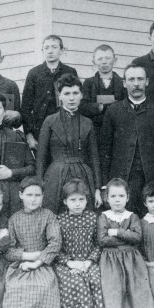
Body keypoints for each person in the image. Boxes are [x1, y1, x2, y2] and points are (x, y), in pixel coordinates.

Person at [98, 64, 154, 213]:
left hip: (153, 181)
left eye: (140, 79)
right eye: (131, 79)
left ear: (147, 82)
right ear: (124, 83)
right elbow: (105, 150)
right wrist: (104, 185)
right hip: (123, 181)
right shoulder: (113, 111)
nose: (136, 84)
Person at [1, 177, 63, 308]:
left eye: (37, 195)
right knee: (16, 287)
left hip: (43, 264)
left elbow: (55, 243)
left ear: (43, 196)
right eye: (29, 195)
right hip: (21, 265)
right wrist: (27, 256)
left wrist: (38, 261)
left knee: (45, 285)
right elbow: (8, 249)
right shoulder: (14, 219)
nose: (33, 199)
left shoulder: (49, 216)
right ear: (21, 195)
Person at [97, 177, 154, 308]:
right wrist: (126, 236)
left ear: (128, 197)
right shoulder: (103, 217)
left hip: (132, 259)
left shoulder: (132, 216)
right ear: (107, 198)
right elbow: (102, 240)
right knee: (114, 291)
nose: (117, 200)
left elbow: (137, 237)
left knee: (134, 290)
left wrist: (116, 232)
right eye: (113, 196)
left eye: (121, 196)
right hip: (110, 259)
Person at [54, 179, 107, 308]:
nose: (77, 204)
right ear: (65, 201)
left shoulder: (93, 218)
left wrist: (89, 261)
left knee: (95, 279)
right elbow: (55, 247)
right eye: (73, 200)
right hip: (67, 264)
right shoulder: (59, 220)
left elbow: (98, 244)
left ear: (86, 200)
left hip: (88, 262)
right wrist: (69, 262)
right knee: (71, 282)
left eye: (81, 200)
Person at [36, 74, 102, 211]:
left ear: (81, 95)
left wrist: (97, 188)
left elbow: (94, 157)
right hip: (56, 177)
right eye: (67, 93)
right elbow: (41, 157)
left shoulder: (87, 122)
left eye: (75, 93)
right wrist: (39, 188)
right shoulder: (50, 121)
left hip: (83, 176)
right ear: (59, 95)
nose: (71, 98)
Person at [22, 35, 79, 149]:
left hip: (64, 128)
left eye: (54, 47)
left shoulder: (70, 72)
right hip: (39, 129)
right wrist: (29, 135)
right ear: (42, 51)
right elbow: (26, 107)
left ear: (61, 50)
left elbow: (76, 102)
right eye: (46, 48)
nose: (50, 51)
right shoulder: (34, 73)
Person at [79, 44, 127, 132]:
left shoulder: (123, 83)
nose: (104, 62)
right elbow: (82, 106)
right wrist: (101, 107)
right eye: (100, 59)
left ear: (115, 60)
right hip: (94, 130)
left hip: (118, 129)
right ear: (94, 62)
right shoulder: (89, 83)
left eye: (108, 58)